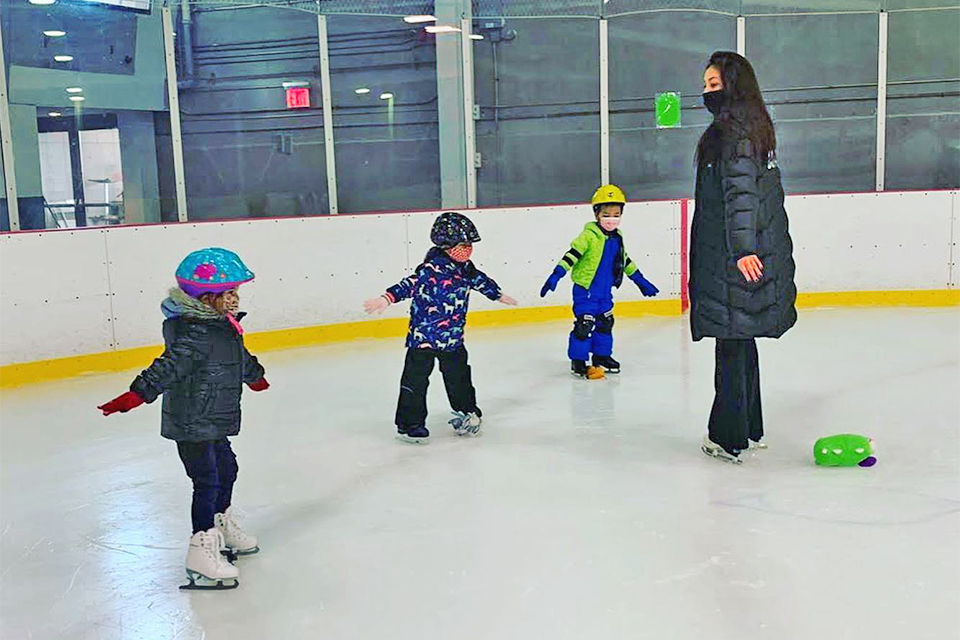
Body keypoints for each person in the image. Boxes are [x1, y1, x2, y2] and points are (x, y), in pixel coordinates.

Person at [98, 247, 269, 588]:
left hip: (214, 418)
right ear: (205, 298)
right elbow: (167, 368)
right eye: (228, 294)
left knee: (227, 469)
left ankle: (220, 525)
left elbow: (239, 357)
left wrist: (254, 375)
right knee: (206, 480)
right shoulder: (194, 334)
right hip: (191, 421)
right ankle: (200, 549)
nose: (235, 300)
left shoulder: (223, 327)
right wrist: (136, 395)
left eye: (236, 293)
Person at [690, 52, 797, 464]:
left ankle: (728, 436)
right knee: (741, 338)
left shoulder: (734, 133)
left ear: (735, 84)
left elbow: (741, 194)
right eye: (705, 85)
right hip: (739, 249)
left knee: (731, 344)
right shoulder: (752, 128)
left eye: (714, 84)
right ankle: (750, 428)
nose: (706, 92)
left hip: (731, 253)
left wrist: (742, 250)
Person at [364, 212, 517, 444]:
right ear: (446, 245)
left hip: (452, 337)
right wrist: (385, 299)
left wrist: (498, 295)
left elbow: (481, 281)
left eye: (469, 245)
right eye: (462, 245)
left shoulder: (466, 270)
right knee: (416, 380)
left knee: (459, 376)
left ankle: (466, 410)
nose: (467, 250)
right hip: (423, 337)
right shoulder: (431, 270)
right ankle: (410, 424)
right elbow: (409, 285)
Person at [539, 184, 659, 378]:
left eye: (616, 214)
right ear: (597, 214)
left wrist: (640, 281)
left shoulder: (618, 237)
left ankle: (601, 356)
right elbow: (572, 255)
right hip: (586, 290)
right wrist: (556, 275)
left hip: (604, 292)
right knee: (584, 324)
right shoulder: (589, 236)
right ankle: (578, 360)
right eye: (606, 214)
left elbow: (624, 260)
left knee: (606, 322)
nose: (611, 219)